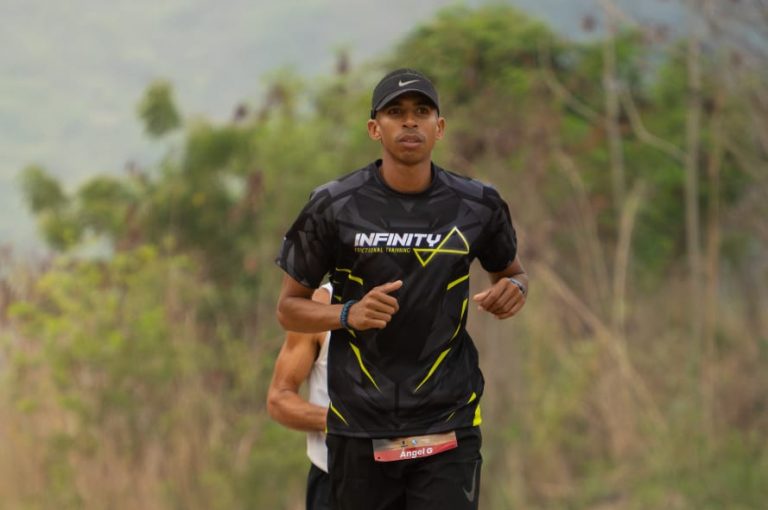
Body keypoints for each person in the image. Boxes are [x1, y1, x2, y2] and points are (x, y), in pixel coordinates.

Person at [275, 68, 528, 510]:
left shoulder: (477, 204)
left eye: (421, 111)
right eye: (396, 112)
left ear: (439, 127)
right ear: (375, 128)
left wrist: (514, 290)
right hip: (359, 428)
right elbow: (289, 309)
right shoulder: (333, 206)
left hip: (447, 424)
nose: (409, 122)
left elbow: (512, 273)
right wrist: (347, 314)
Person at [267, 283, 333, 510]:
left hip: (414, 475)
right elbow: (279, 399)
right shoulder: (318, 304)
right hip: (332, 477)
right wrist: (341, 422)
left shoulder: (427, 294)